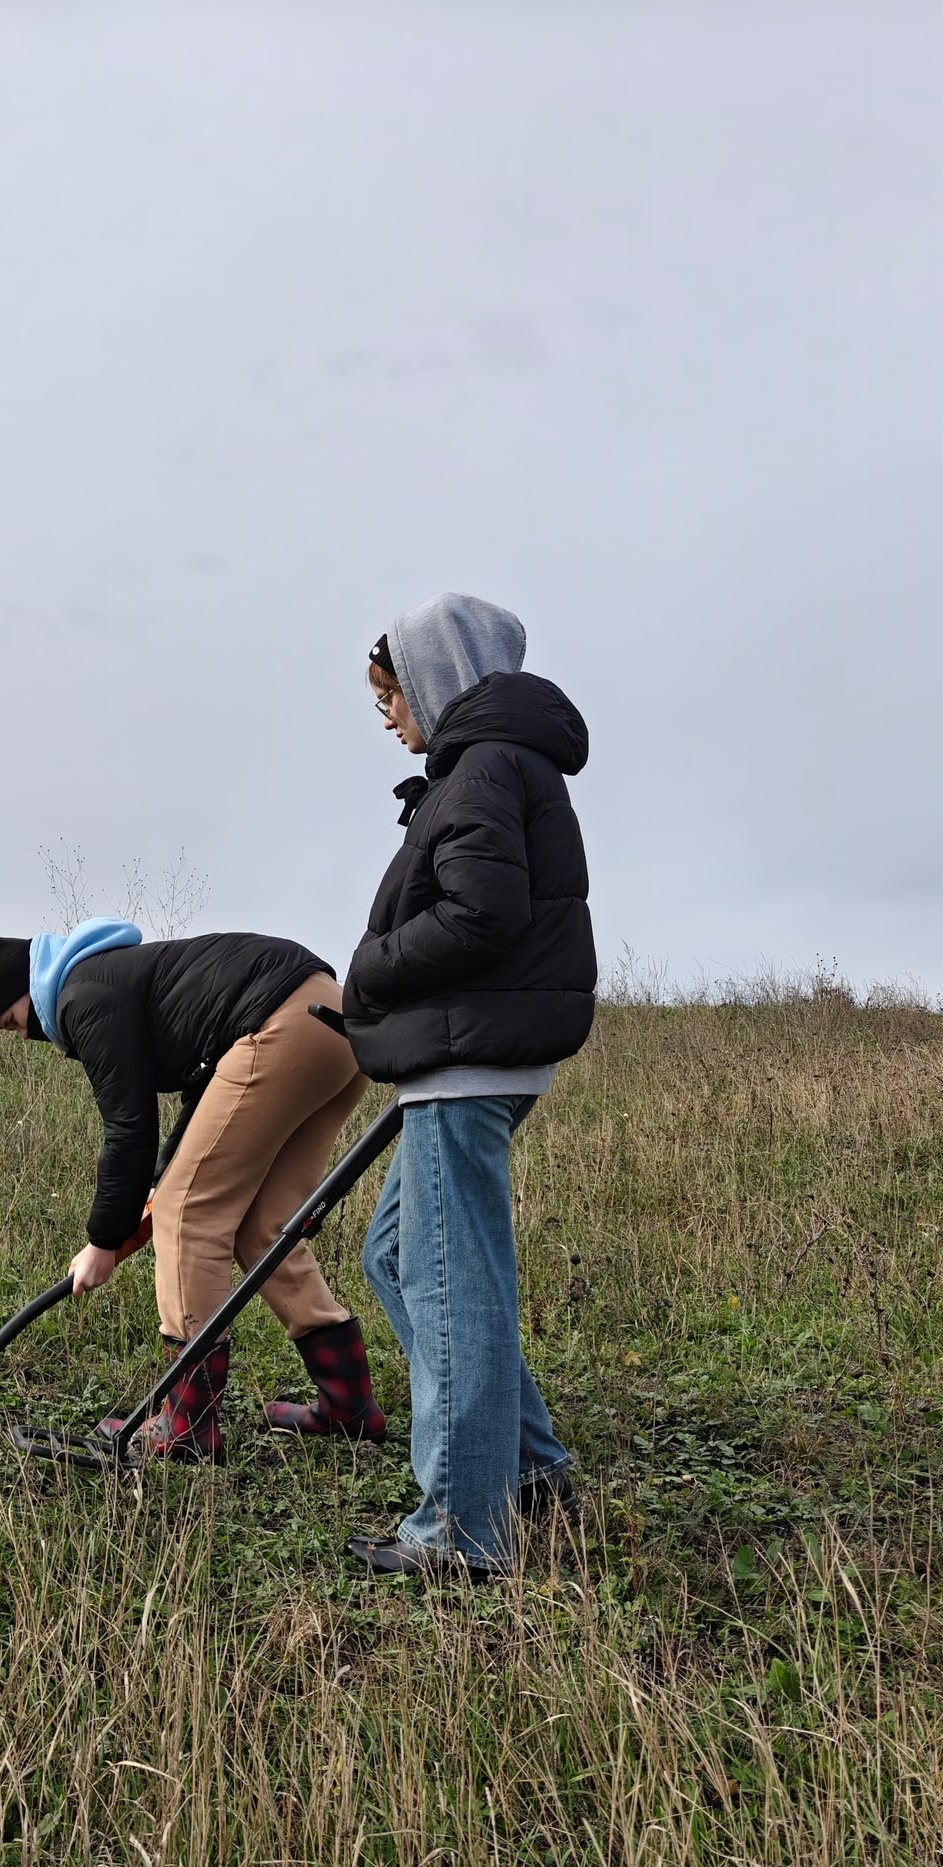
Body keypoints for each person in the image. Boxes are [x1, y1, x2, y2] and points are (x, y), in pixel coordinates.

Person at [338, 591, 597, 1578]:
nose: (386, 714)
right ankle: (528, 1470)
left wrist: (371, 971)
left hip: (467, 1063)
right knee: (398, 1255)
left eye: (390, 692)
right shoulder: (488, 764)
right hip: (466, 1055)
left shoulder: (483, 764)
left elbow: (480, 914)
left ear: (436, 677)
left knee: (452, 1288)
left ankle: (461, 1531)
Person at [0, 921, 384, 1460]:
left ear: (25, 989)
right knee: (265, 1227)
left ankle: (186, 1428)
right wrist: (150, 1195)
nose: (23, 1035)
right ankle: (349, 1403)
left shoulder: (81, 997)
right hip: (335, 1023)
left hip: (280, 1022)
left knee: (189, 1215)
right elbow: (205, 1094)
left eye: (12, 1020)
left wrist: (102, 1240)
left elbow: (129, 1127)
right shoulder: (116, 976)